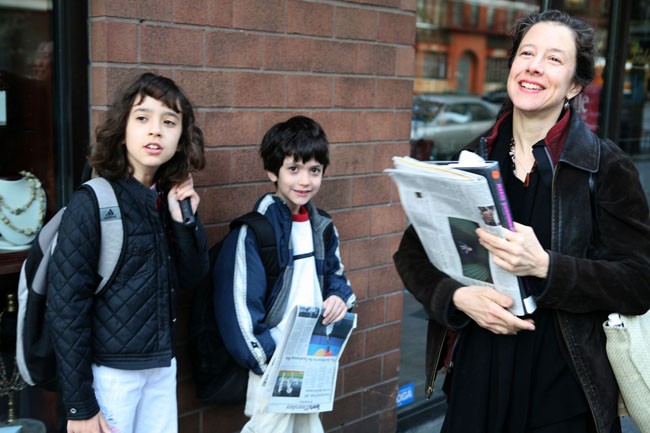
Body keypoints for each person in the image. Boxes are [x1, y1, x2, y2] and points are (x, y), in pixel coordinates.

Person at [394, 10, 650, 433]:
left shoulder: (604, 167)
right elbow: (412, 253)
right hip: (476, 376)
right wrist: (456, 299)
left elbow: (639, 281)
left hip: (562, 389)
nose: (534, 65)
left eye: (554, 59)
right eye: (527, 53)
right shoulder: (473, 157)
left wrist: (547, 267)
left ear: (574, 85)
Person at [46, 72, 209, 433]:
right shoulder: (92, 202)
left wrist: (184, 220)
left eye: (169, 121)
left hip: (162, 369)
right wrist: (80, 406)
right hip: (111, 376)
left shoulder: (166, 200)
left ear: (181, 136)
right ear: (122, 130)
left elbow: (194, 277)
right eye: (143, 118)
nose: (156, 130)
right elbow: (66, 309)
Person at [213, 115, 356, 433]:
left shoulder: (323, 226)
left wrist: (338, 297)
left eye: (314, 170)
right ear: (272, 171)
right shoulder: (254, 232)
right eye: (294, 169)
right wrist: (268, 361)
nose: (305, 180)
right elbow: (238, 309)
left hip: (312, 358)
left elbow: (337, 276)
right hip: (273, 364)